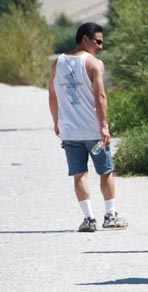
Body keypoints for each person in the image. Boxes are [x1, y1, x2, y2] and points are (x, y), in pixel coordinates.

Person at [48, 22, 127, 232]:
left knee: (79, 174)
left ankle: (89, 218)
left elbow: (52, 95)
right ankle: (110, 215)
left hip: (70, 131)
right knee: (106, 171)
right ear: (85, 39)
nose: (100, 46)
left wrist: (56, 121)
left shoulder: (58, 63)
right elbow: (100, 96)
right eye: (98, 41)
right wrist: (104, 127)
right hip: (93, 131)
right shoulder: (94, 64)